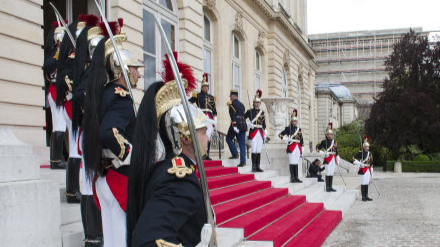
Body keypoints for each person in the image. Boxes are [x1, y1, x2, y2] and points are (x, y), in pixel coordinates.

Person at [126, 52, 211, 247]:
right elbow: (148, 240)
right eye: (203, 130)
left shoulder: (168, 170)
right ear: (185, 138)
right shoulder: (178, 179)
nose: (207, 137)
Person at [82, 20, 143, 247]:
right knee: (122, 241)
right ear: (122, 69)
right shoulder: (121, 96)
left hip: (105, 179)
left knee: (111, 242)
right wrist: (133, 153)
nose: (138, 73)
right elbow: (109, 132)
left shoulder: (104, 92)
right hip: (120, 178)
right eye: (135, 68)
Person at [72, 17, 103, 246]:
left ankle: (96, 234)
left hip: (97, 132)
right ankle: (92, 236)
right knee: (89, 185)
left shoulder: (97, 71)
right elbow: (81, 95)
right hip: (91, 131)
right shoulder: (89, 71)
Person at [56, 16, 89, 203]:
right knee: (76, 147)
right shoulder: (73, 57)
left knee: (78, 147)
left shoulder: (81, 57)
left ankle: (73, 189)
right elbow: (64, 79)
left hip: (75, 105)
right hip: (73, 106)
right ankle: (72, 190)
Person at [43, 20, 67, 170]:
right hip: (55, 91)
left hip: (59, 92)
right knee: (59, 125)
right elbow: (48, 67)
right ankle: (56, 160)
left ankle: (56, 159)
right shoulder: (54, 54)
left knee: (59, 125)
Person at [189, 73, 217, 160]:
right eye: (204, 86)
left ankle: (206, 154)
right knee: (201, 135)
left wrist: (215, 121)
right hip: (201, 117)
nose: (206, 88)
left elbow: (215, 110)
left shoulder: (212, 97)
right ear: (202, 87)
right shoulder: (197, 95)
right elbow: (189, 103)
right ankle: (200, 153)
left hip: (209, 118)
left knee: (208, 135)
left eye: (207, 87)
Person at [279, 109, 304, 183]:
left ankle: (296, 177)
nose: (295, 122)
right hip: (292, 146)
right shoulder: (288, 128)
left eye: (296, 121)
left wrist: (302, 148)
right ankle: (292, 177)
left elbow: (301, 139)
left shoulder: (299, 129)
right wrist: (287, 139)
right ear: (291, 121)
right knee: (292, 162)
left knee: (296, 162)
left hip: (297, 147)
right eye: (294, 121)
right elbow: (280, 135)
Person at [244, 89, 266, 172]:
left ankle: (258, 166)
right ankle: (253, 166)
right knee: (254, 149)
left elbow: (263, 124)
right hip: (253, 132)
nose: (257, 104)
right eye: (255, 102)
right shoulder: (250, 111)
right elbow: (243, 118)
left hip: (260, 132)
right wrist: (248, 124)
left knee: (258, 150)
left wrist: (265, 131)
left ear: (259, 103)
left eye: (258, 103)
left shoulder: (262, 112)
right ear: (253, 103)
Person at [226, 90, 247, 167]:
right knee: (242, 144)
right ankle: (243, 161)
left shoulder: (231, 104)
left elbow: (232, 115)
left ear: (232, 96)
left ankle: (235, 153)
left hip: (236, 124)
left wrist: (234, 126)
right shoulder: (242, 105)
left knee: (228, 138)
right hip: (243, 124)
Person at [317, 123, 340, 192]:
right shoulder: (324, 142)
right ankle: (327, 187)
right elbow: (318, 149)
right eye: (329, 134)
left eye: (331, 134)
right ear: (327, 135)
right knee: (328, 172)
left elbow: (336, 150)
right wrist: (324, 153)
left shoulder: (334, 141)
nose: (331, 135)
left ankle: (330, 186)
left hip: (333, 158)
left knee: (331, 172)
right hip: (328, 158)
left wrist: (338, 157)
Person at [353, 135, 374, 202]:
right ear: (364, 147)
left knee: (367, 182)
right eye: (367, 146)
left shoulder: (370, 153)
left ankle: (366, 196)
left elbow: (371, 161)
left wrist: (371, 168)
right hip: (363, 169)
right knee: (363, 182)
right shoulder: (360, 153)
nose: (368, 147)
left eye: (368, 146)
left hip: (368, 168)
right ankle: (363, 197)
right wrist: (359, 163)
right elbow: (353, 158)